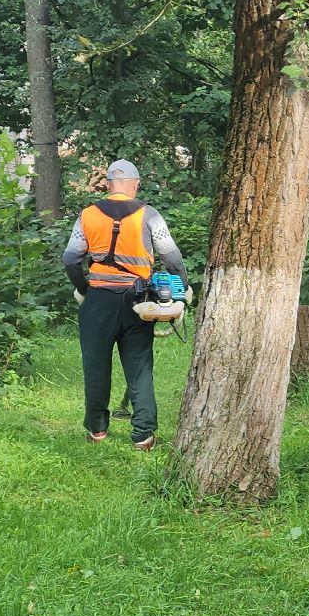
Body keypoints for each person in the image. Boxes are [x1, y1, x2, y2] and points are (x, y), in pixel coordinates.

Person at [62, 159, 189, 450]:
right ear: (136, 184)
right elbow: (171, 256)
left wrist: (84, 288)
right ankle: (143, 435)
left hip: (97, 301)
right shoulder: (149, 214)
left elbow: (70, 258)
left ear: (108, 185)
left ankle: (97, 429)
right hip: (138, 300)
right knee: (139, 366)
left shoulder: (87, 215)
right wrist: (182, 288)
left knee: (95, 365)